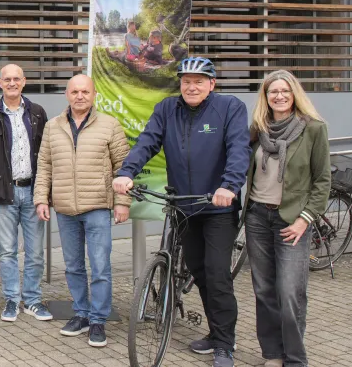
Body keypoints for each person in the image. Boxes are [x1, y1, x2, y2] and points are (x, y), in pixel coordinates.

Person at [112, 57, 251, 367]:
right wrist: (127, 172)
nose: (191, 86)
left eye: (199, 81)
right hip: (183, 208)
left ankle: (225, 344)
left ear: (212, 84)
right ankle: (216, 332)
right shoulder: (167, 109)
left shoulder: (229, 108)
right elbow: (147, 141)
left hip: (217, 207)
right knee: (200, 273)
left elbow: (240, 149)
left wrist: (229, 186)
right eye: (186, 81)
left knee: (217, 276)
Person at [33, 74, 130, 348]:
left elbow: (123, 167)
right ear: (67, 94)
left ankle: (98, 319)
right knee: (73, 267)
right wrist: (41, 199)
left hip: (97, 206)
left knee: (100, 267)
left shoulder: (110, 125)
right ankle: (81, 313)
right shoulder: (53, 127)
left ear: (94, 94)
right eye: (75, 91)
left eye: (85, 91)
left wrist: (122, 203)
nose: (80, 96)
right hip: (65, 208)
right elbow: (45, 167)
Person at [245, 70, 330, 367]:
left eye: (284, 91)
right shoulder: (258, 129)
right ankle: (272, 354)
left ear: (295, 94)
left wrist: (304, 219)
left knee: (290, 292)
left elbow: (322, 182)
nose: (279, 96)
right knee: (264, 289)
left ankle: (295, 359)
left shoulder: (314, 129)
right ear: (265, 97)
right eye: (272, 92)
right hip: (257, 217)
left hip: (293, 221)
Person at [0, 64, 51, 323]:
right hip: (3, 194)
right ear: (0, 83)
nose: (12, 83)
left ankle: (33, 300)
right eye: (8, 79)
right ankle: (12, 300)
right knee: (6, 251)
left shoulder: (38, 113)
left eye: (17, 79)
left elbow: (47, 156)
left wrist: (45, 193)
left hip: (33, 192)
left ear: (24, 82)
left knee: (35, 252)